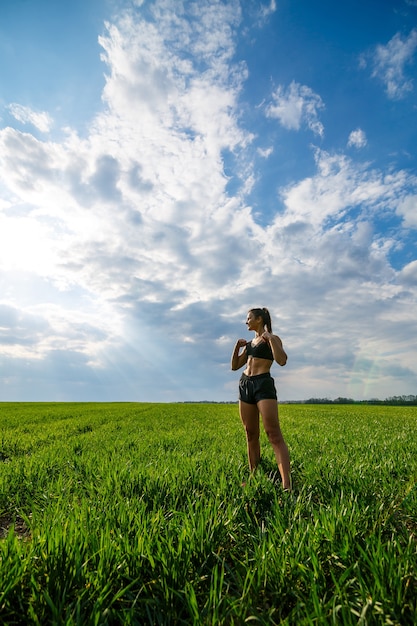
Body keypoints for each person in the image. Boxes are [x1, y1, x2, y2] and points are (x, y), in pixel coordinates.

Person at [231, 307, 291, 491]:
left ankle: (287, 485)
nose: (246, 321)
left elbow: (282, 360)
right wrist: (237, 347)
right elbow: (234, 366)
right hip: (245, 384)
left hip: (263, 384)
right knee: (250, 434)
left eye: (248, 318)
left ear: (259, 319)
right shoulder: (249, 344)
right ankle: (254, 477)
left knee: (273, 434)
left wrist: (271, 338)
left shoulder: (272, 339)